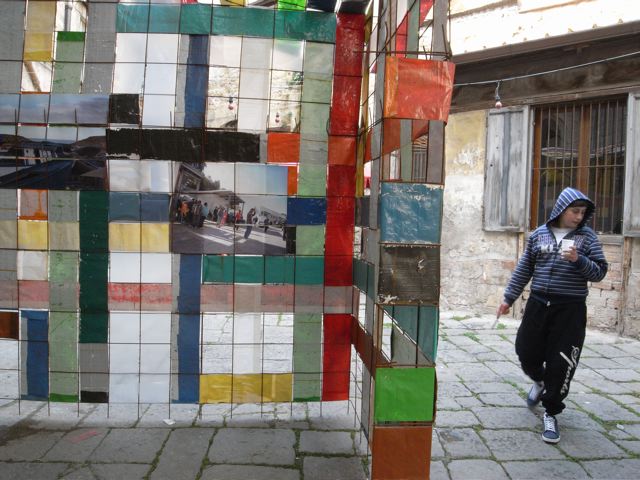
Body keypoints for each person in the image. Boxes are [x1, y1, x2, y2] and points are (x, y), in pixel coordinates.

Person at [496, 187, 608, 444]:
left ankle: (551, 412)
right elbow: (524, 269)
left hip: (570, 309)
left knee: (561, 363)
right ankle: (539, 381)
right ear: (560, 210)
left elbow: (600, 272)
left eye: (582, 212)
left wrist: (578, 260)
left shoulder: (587, 238)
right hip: (538, 305)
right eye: (574, 211)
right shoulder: (539, 235)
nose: (579, 217)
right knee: (526, 351)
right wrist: (508, 298)